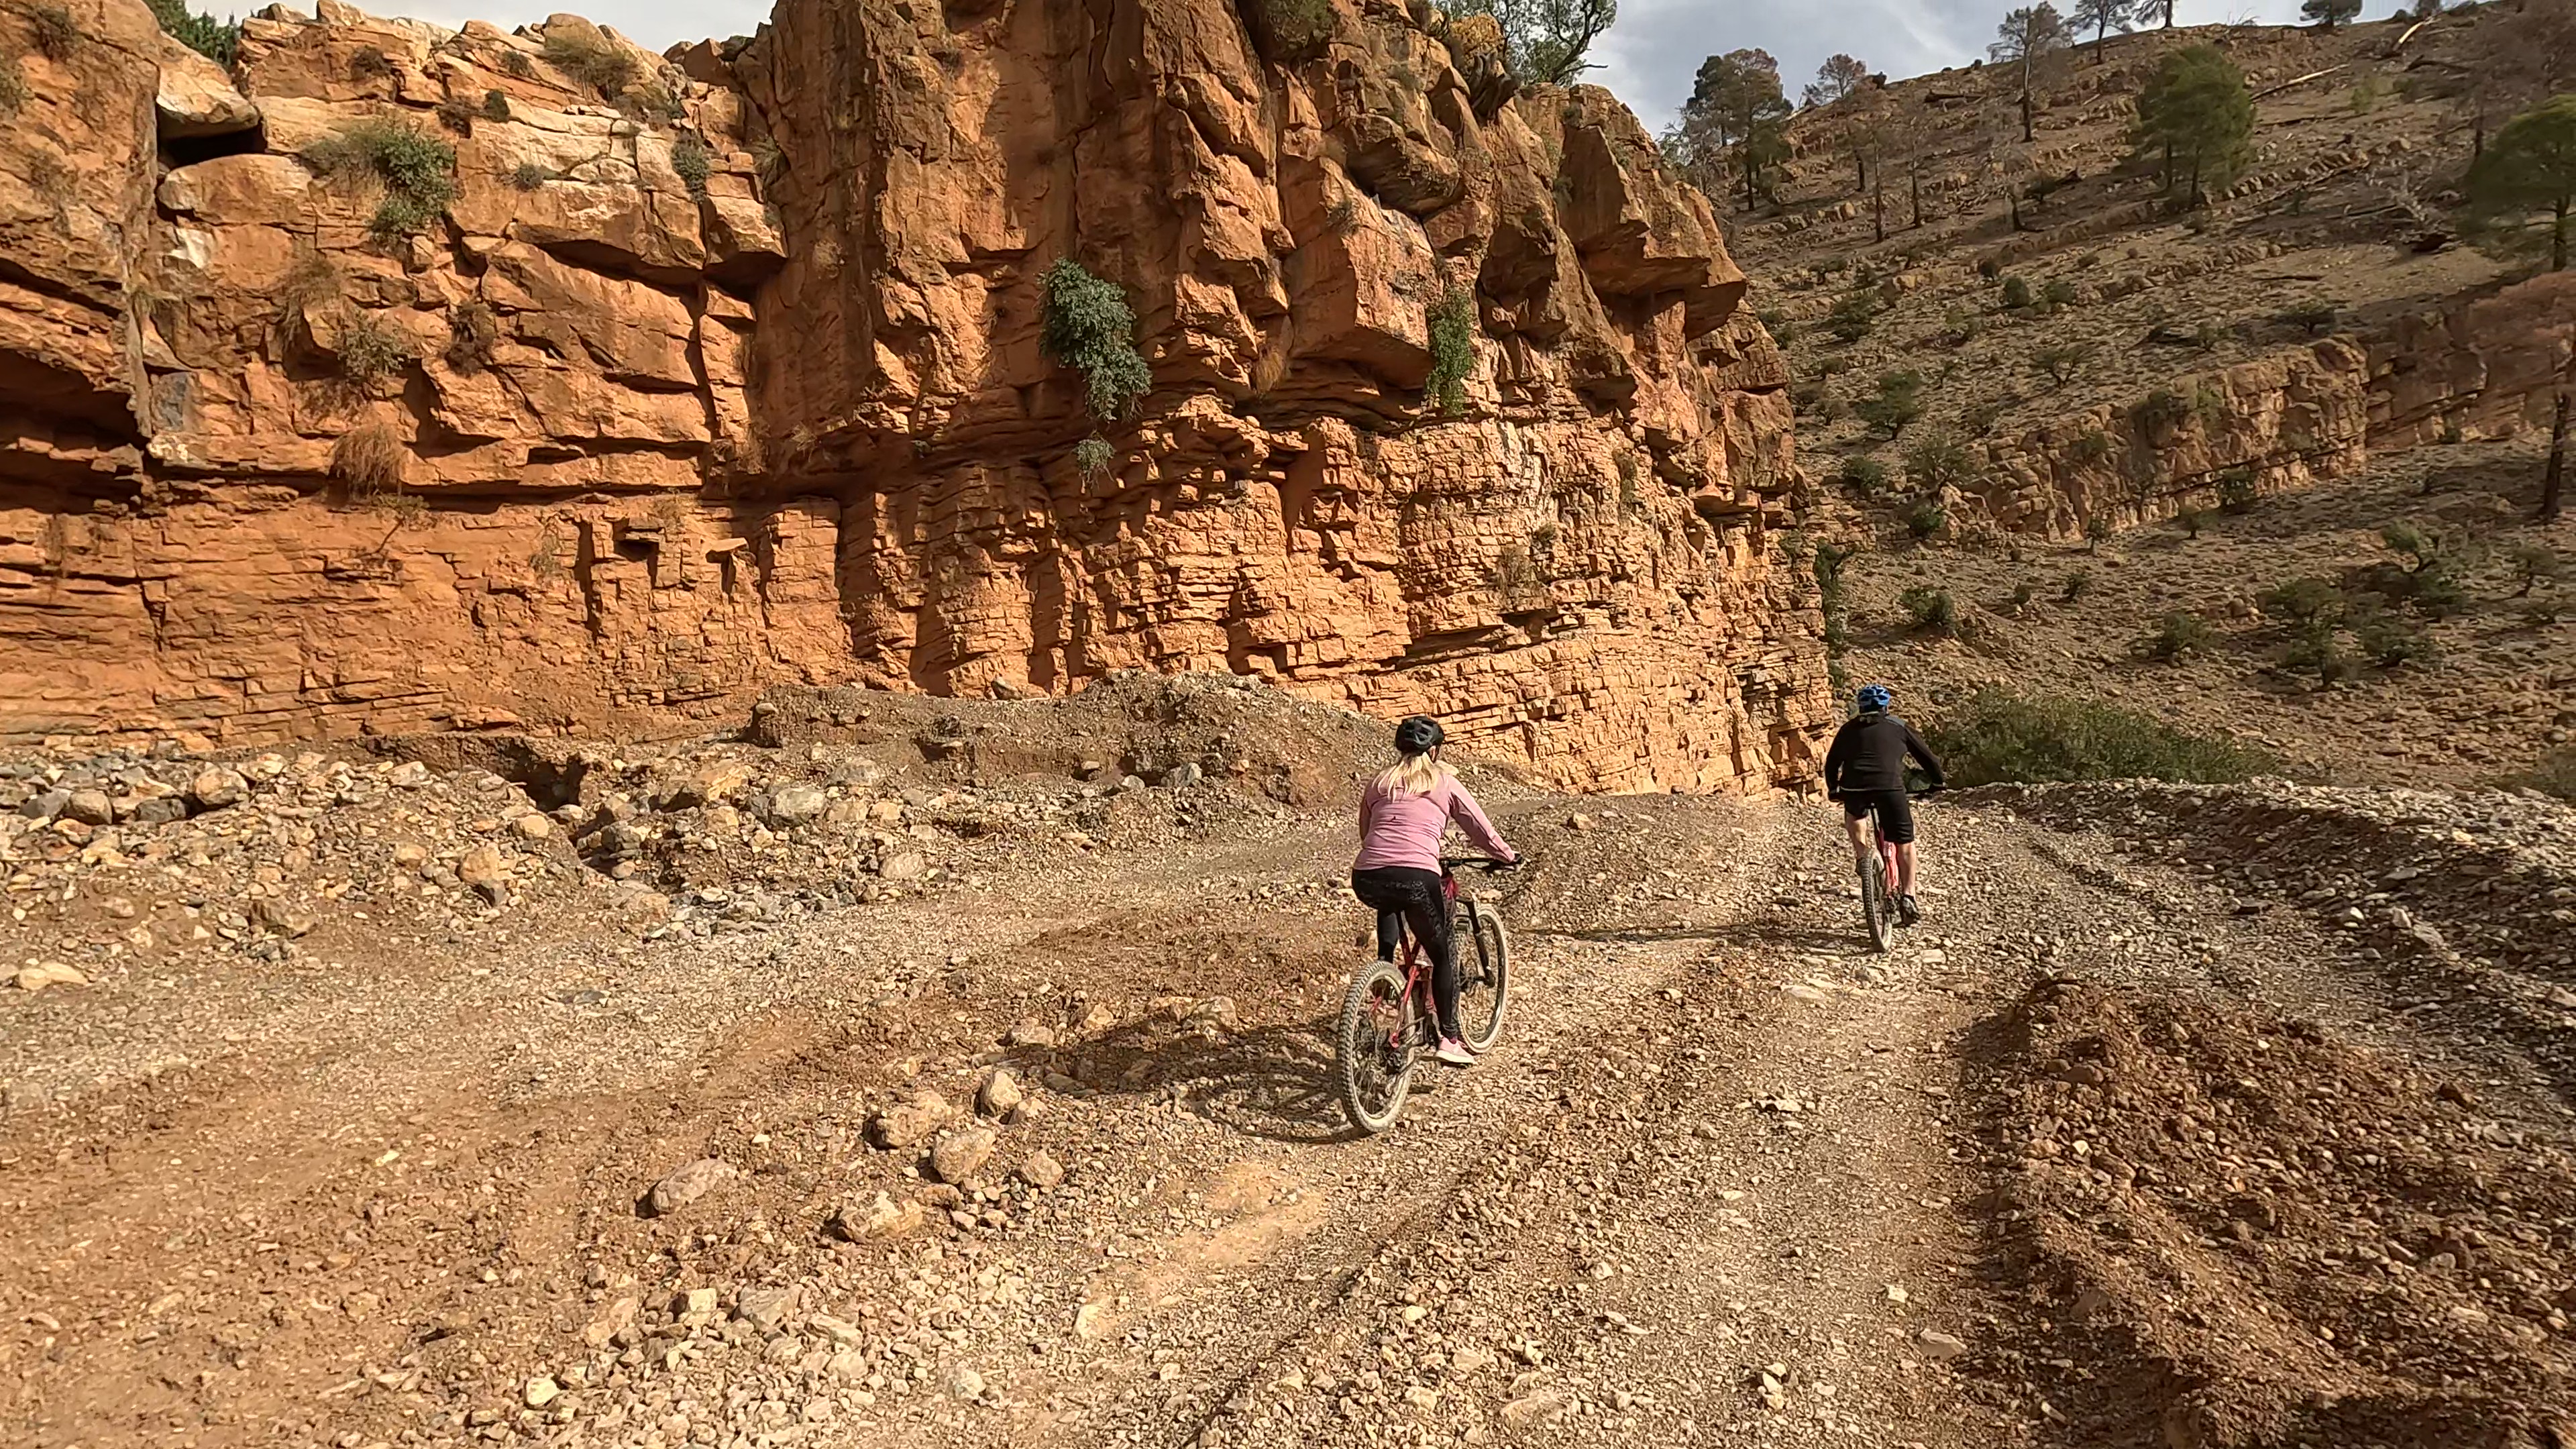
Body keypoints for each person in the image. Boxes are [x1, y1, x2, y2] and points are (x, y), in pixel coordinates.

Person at [1350, 715, 1518, 1067]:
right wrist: (1507, 856)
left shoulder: (1379, 782)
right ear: (1436, 750)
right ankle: (1450, 1038)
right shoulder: (1444, 782)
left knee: (1390, 895)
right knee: (1442, 954)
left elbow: (1367, 835)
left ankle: (1384, 969)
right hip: (1416, 877)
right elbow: (1480, 830)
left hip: (1366, 877)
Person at [1822, 684, 1944, 925]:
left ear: (1861, 707)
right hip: (1889, 788)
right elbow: (1927, 757)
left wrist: (1834, 789)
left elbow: (1832, 762)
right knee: (1905, 844)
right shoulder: (1898, 726)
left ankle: (1861, 856)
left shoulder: (1848, 729)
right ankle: (1909, 896)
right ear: (1886, 707)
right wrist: (1937, 783)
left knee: (1855, 816)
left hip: (1854, 787)